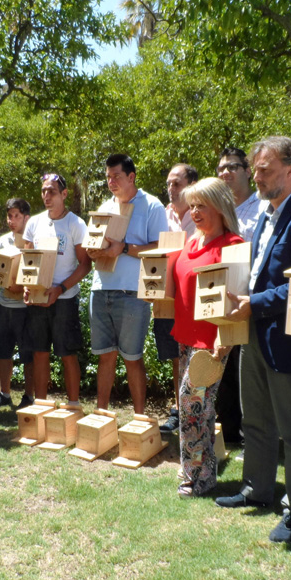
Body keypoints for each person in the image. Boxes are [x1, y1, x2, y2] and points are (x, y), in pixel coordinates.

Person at [216, 137, 291, 544]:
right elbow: (257, 270)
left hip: (289, 342)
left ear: (290, 170)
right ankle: (256, 489)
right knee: (256, 421)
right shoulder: (266, 214)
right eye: (257, 169)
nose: (257, 176)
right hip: (256, 336)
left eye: (264, 169)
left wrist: (253, 303)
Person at [168, 177, 244, 497]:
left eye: (203, 205)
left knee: (192, 403)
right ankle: (198, 472)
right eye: (193, 205)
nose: (196, 211)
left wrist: (224, 339)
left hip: (212, 342)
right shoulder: (191, 241)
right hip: (186, 336)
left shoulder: (233, 244)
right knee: (195, 408)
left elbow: (238, 297)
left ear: (221, 206)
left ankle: (198, 477)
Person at [87, 154, 168, 414]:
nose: (111, 182)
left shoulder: (152, 205)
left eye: (116, 176)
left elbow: (161, 247)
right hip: (100, 289)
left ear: (131, 177)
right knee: (105, 356)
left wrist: (124, 249)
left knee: (132, 357)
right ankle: (100, 416)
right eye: (108, 177)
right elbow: (97, 242)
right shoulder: (104, 206)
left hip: (133, 292)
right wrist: (93, 251)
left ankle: (140, 419)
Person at [23, 173, 91, 404]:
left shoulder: (76, 223)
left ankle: (73, 406)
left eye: (51, 191)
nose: (46, 196)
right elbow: (28, 261)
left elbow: (85, 264)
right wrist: (27, 286)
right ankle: (40, 405)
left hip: (64, 299)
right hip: (38, 298)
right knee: (39, 353)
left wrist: (60, 289)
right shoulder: (34, 223)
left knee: (67, 354)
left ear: (64, 194)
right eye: (43, 191)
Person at [214, 147, 266, 449]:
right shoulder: (220, 209)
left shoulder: (262, 209)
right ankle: (231, 433)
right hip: (225, 296)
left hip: (254, 298)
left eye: (233, 167)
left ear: (248, 171)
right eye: (221, 168)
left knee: (250, 372)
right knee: (225, 364)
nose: (226, 173)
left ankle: (254, 435)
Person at [158, 163, 198, 433]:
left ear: (191, 186)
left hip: (194, 297)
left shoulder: (203, 213)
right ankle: (180, 409)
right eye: (169, 184)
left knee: (197, 355)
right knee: (175, 356)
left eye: (177, 184)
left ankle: (198, 411)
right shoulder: (162, 215)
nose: (171, 189)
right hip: (167, 298)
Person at [0, 197, 35, 410]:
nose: (12, 220)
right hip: (4, 304)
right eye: (9, 216)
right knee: (2, 351)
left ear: (27, 218)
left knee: (28, 353)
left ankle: (29, 397)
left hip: (26, 307)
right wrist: (6, 285)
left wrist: (21, 287)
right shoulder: (3, 240)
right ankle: (4, 394)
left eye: (17, 216)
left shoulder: (34, 240)